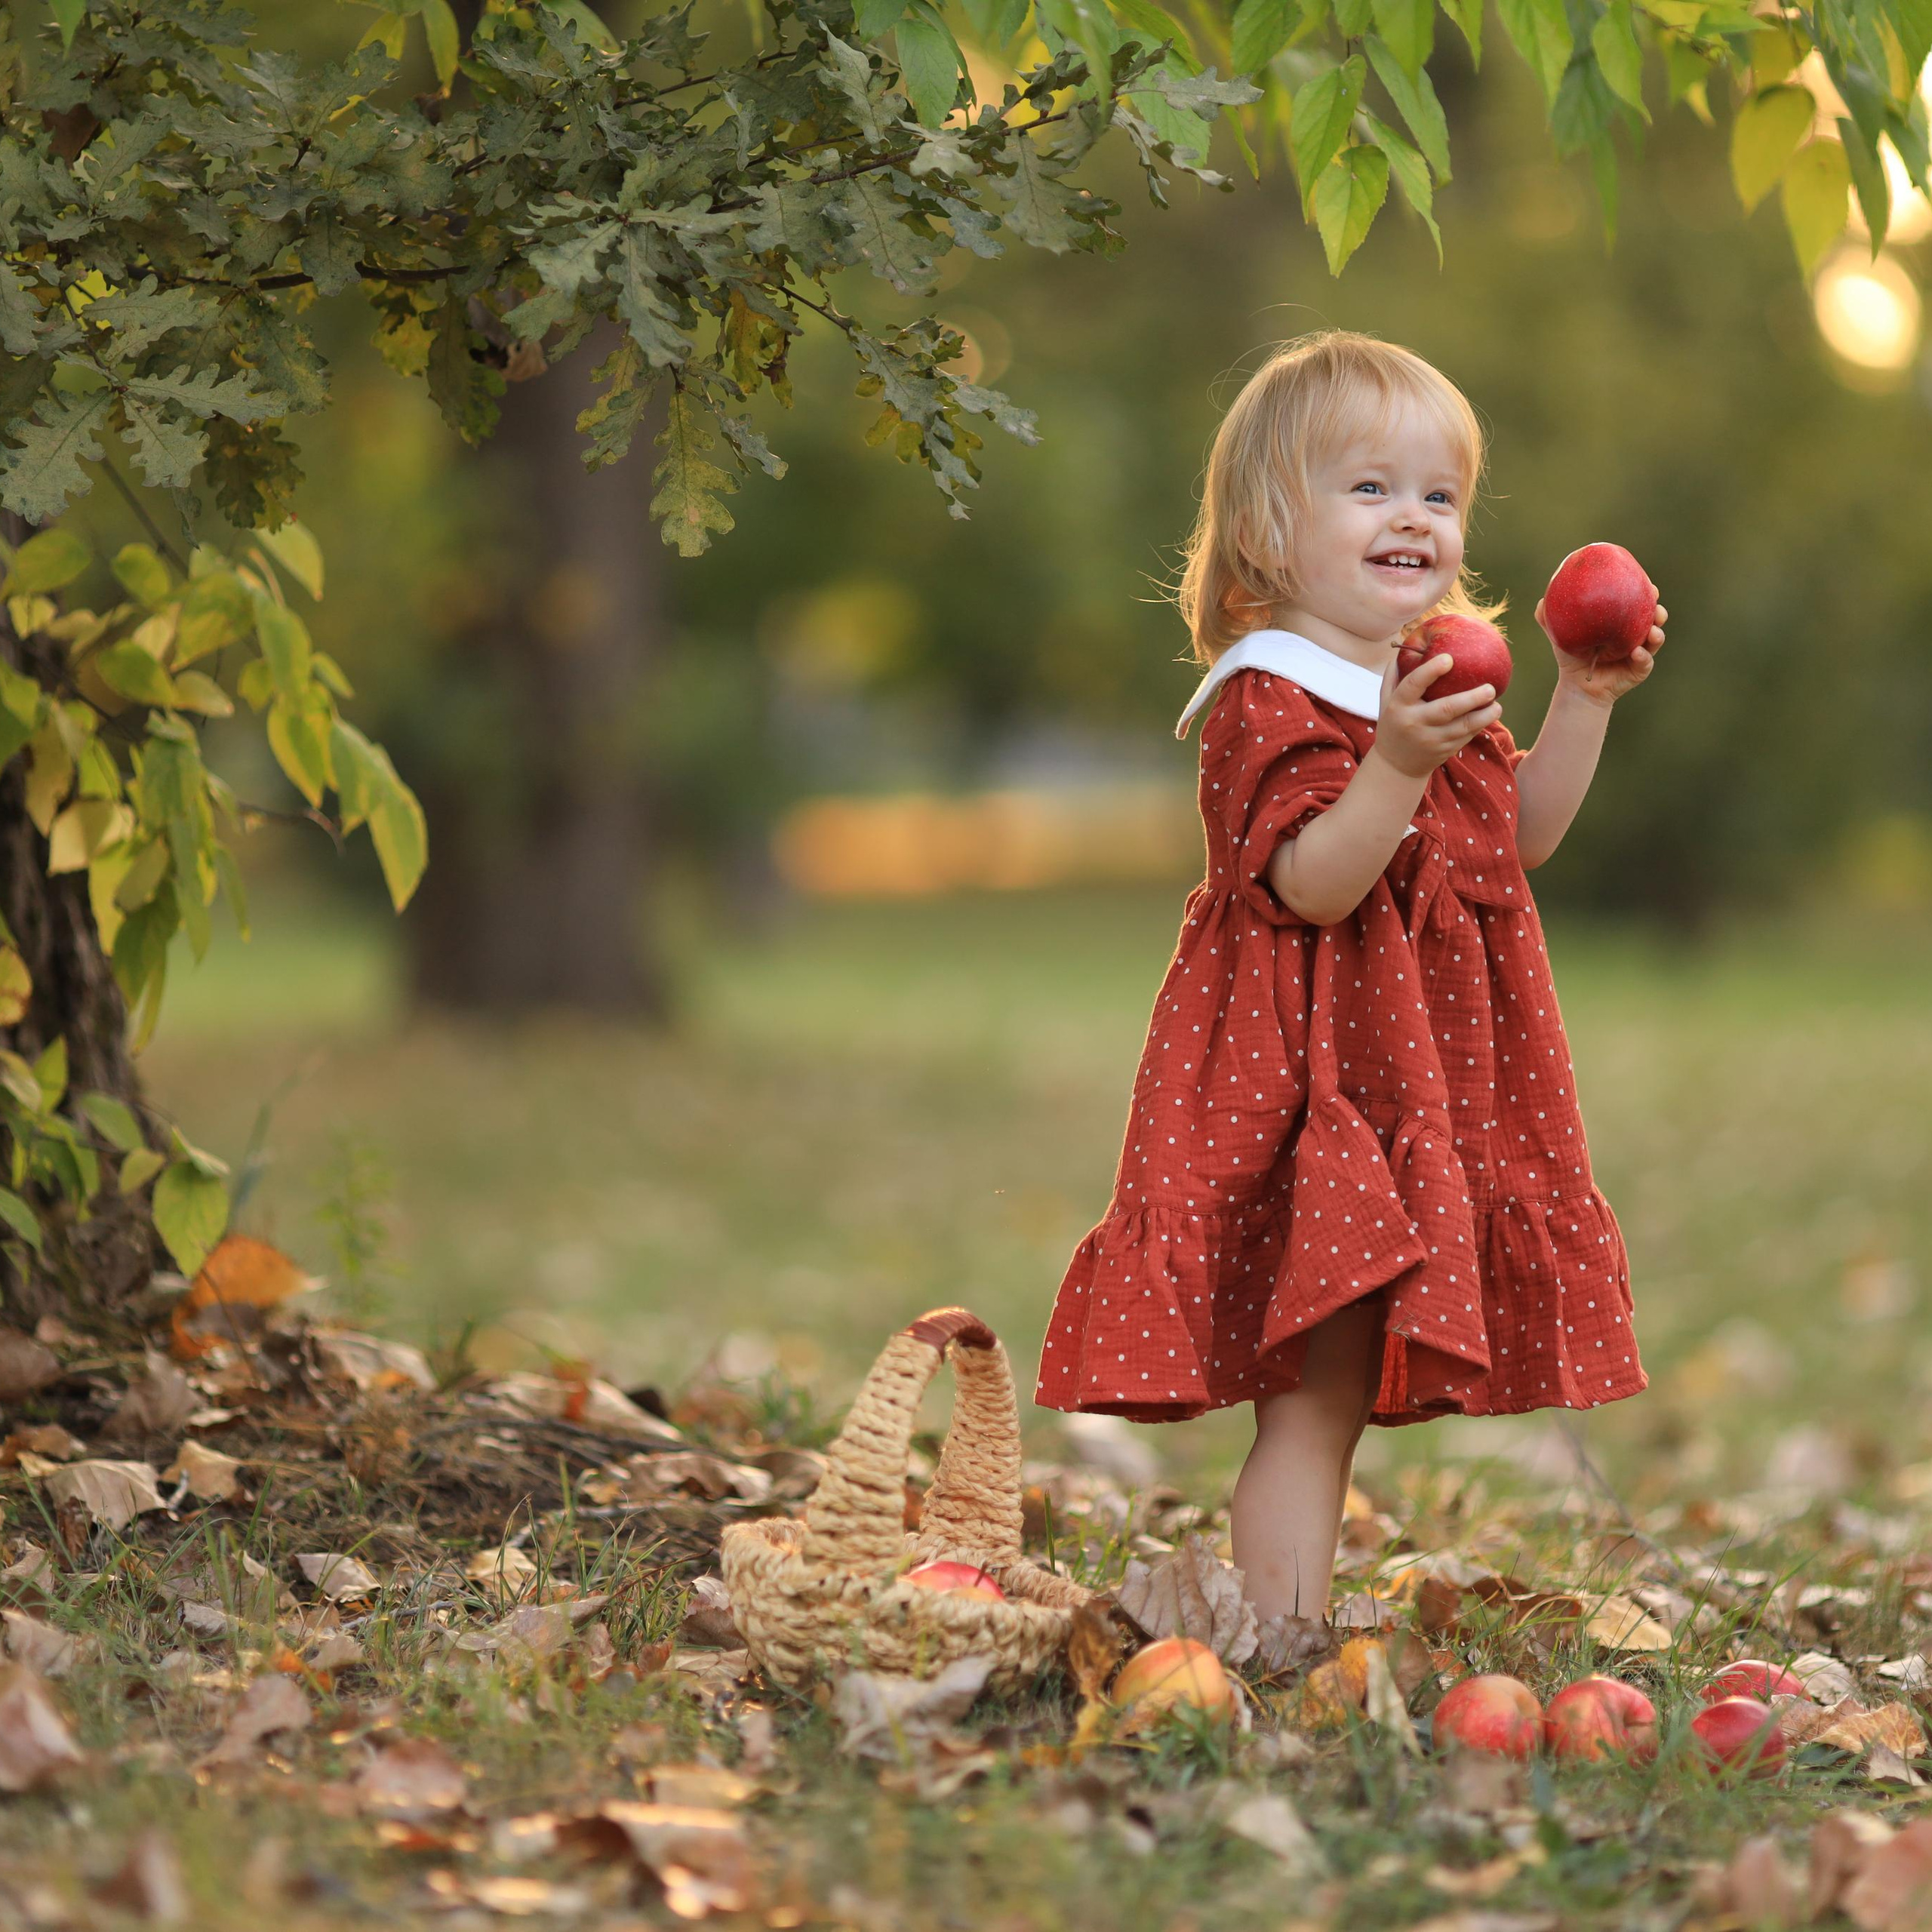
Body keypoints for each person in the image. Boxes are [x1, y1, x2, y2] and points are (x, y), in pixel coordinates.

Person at [1033, 331, 1666, 1627]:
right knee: (1313, 1402)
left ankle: (1289, 1625)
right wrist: (1394, 762)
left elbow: (1516, 839)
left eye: (1439, 496)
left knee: (1338, 1402)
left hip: (1410, 1087)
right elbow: (1314, 882)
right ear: (1272, 527)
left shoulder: (1431, 679)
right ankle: (1280, 1641)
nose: (1416, 521)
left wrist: (1583, 699)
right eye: (1371, 489)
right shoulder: (1269, 694)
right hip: (1307, 1098)